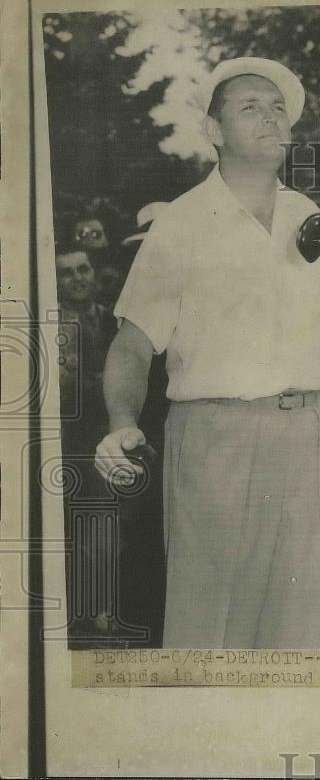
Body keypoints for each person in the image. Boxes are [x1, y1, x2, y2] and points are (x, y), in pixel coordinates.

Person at [94, 58, 320, 648]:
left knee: (299, 628)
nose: (270, 116)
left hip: (306, 434)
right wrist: (122, 421)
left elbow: (319, 334)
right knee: (209, 629)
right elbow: (133, 342)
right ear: (214, 132)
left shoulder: (309, 216)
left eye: (278, 107)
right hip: (215, 436)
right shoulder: (179, 223)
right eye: (250, 106)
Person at [56, 246, 120, 637]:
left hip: (111, 440)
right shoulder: (50, 328)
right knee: (79, 532)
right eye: (67, 273)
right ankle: (88, 614)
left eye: (84, 269)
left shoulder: (113, 322)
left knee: (109, 533)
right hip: (69, 445)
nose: (79, 278)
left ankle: (105, 610)